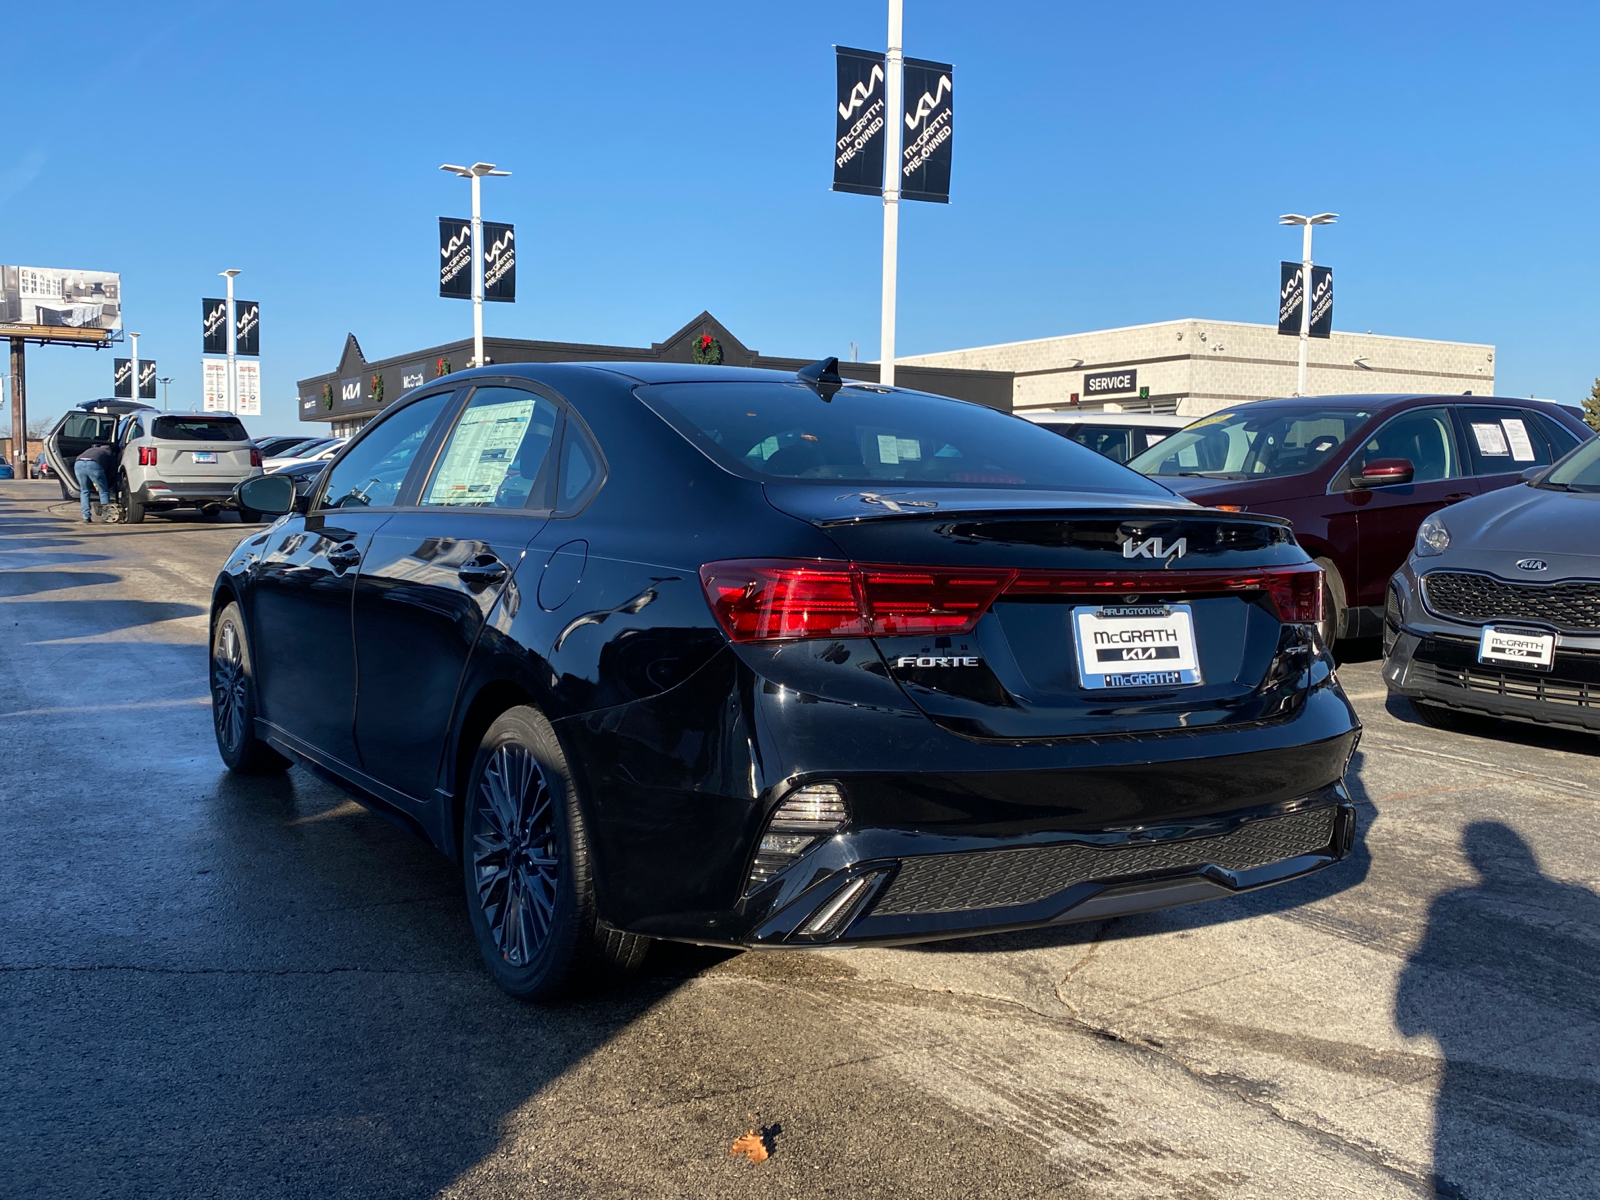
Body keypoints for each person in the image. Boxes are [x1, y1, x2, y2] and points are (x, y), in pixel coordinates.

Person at [74, 439, 116, 523]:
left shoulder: (90, 449)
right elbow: (111, 470)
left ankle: (86, 517)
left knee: (84, 491)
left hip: (78, 464)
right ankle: (106, 516)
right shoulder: (108, 453)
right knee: (103, 491)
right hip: (94, 464)